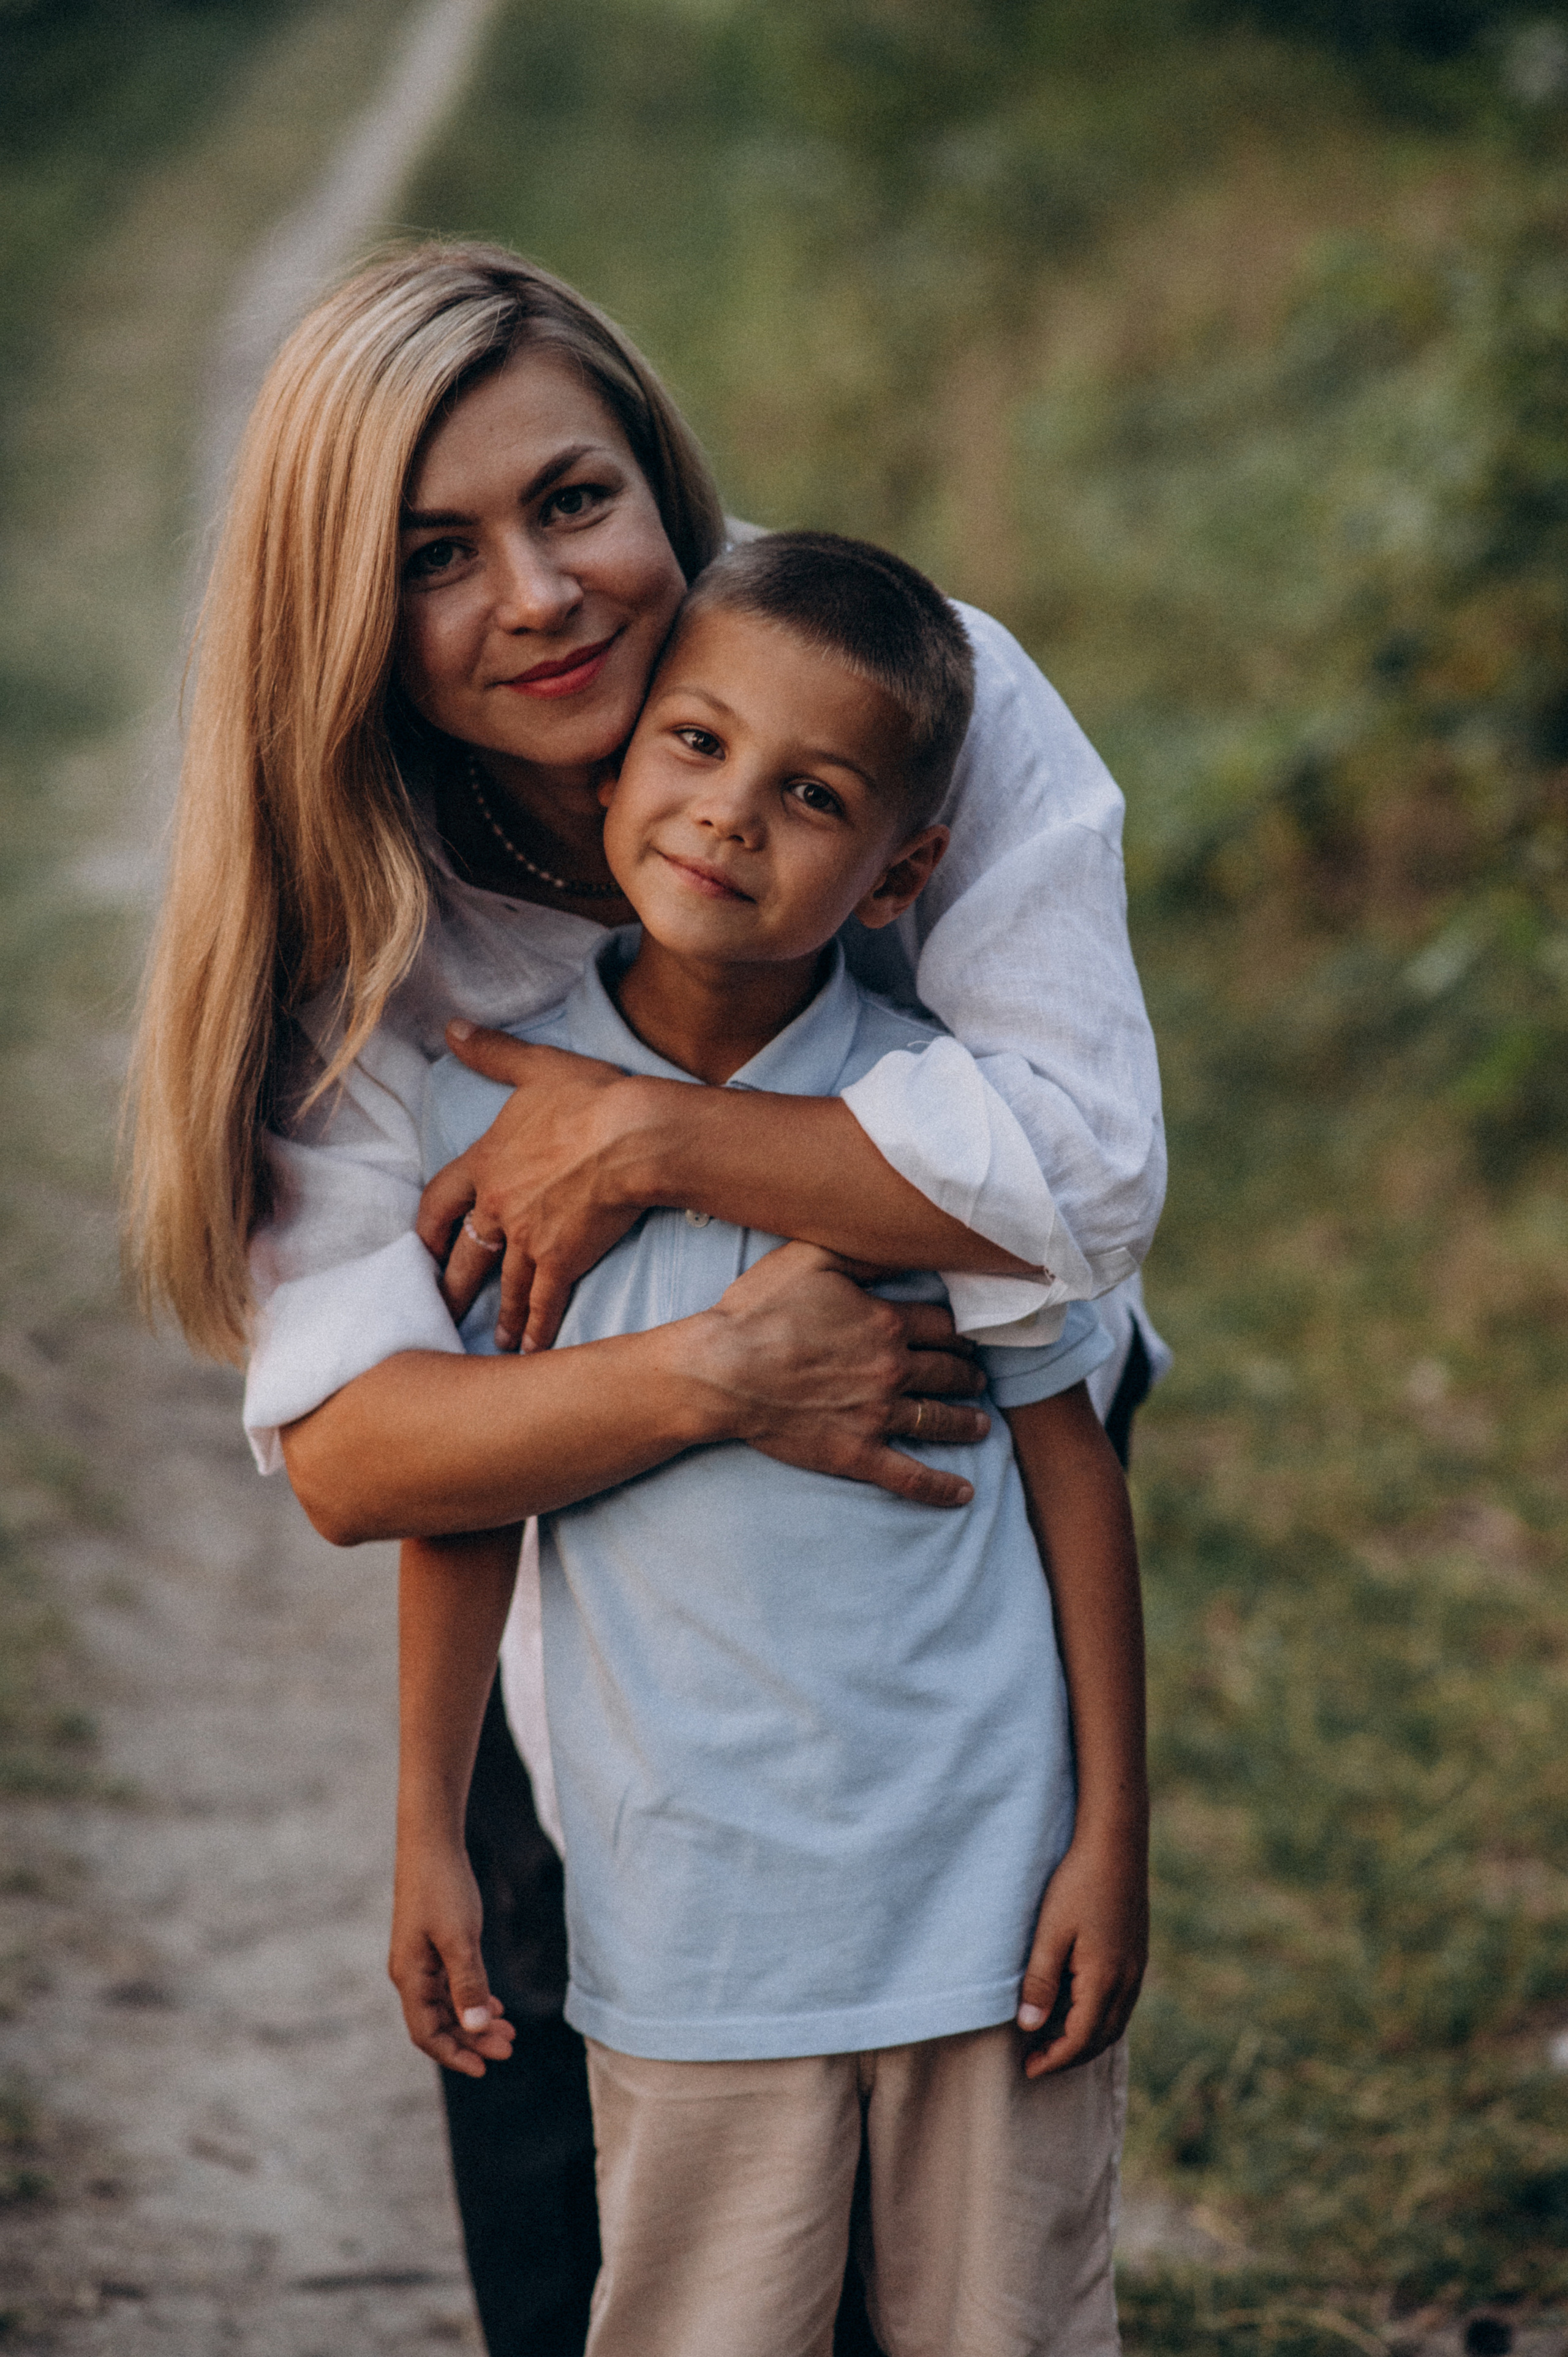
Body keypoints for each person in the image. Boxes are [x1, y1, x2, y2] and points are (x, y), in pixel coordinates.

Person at [126, 243, 1165, 2356]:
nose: (541, 593)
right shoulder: (363, 905)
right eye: (438, 553)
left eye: (572, 499)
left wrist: (637, 1139)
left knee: (973, 2252)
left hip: (938, 1582)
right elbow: (367, 1446)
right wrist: (716, 1370)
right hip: (597, 1643)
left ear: (658, 478)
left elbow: (1082, 1180)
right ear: (347, 610)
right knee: (628, 2257)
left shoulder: (883, 684)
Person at [391, 531, 1148, 2356]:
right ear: (620, 757)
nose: (731, 818)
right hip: (686, 1918)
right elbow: (466, 1484)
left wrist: (1114, 1829)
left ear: (902, 868)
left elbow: (1074, 1468)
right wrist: (423, 1819)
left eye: (810, 793)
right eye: (698, 745)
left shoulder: (937, 1131)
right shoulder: (489, 1112)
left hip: (987, 1894)